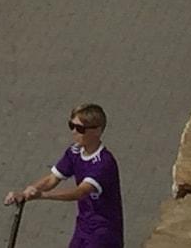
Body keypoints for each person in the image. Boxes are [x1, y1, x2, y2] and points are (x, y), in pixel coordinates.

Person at [7, 103, 122, 248]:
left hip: (104, 232)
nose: (74, 132)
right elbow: (52, 179)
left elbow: (80, 192)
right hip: (84, 226)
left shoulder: (103, 163)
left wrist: (42, 195)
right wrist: (25, 193)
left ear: (97, 131)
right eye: (71, 126)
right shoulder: (74, 152)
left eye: (80, 128)